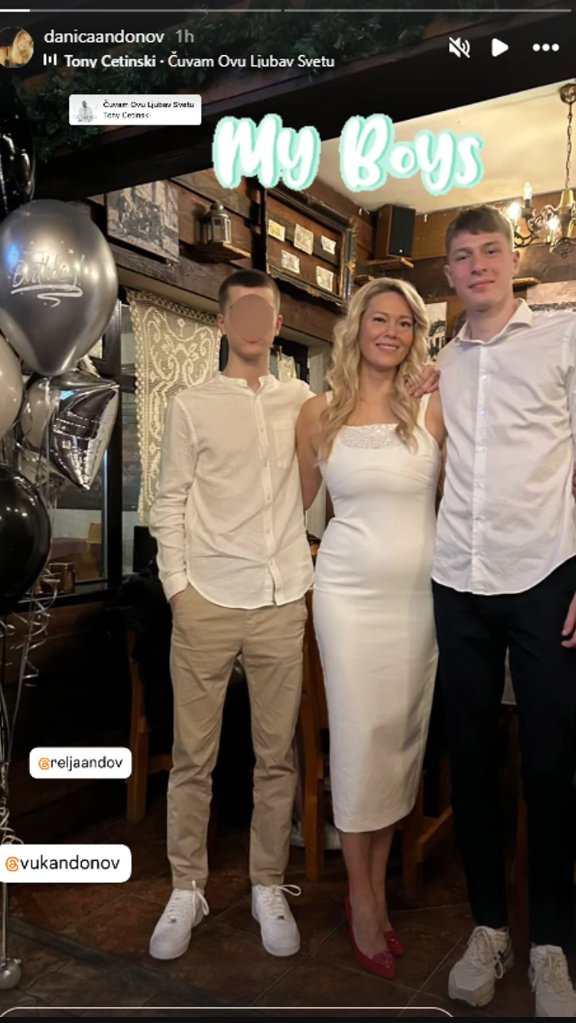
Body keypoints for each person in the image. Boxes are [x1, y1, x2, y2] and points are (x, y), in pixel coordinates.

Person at [431, 205, 576, 1017]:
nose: (479, 264)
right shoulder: (442, 362)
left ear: (513, 259)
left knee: (552, 763)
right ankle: (488, 926)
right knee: (472, 761)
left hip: (546, 573)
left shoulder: (563, 339)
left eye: (491, 250)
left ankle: (550, 941)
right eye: (464, 255)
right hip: (457, 578)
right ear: (450, 273)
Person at [148, 269, 313, 961]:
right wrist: (178, 589)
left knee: (276, 758)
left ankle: (266, 883)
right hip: (207, 599)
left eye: (263, 312)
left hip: (281, 598)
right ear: (223, 323)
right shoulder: (191, 405)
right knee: (193, 758)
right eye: (239, 310)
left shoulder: (302, 400)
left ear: (276, 324)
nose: (251, 322)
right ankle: (187, 885)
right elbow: (169, 500)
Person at [296, 277, 445, 979]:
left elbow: (468, 496)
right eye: (379, 319)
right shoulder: (318, 411)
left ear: (416, 335)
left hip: (418, 603)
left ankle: (378, 891)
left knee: (396, 746)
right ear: (356, 327)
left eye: (404, 323)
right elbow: (289, 511)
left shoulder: (433, 404)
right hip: (347, 599)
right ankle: (361, 899)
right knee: (358, 744)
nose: (390, 331)